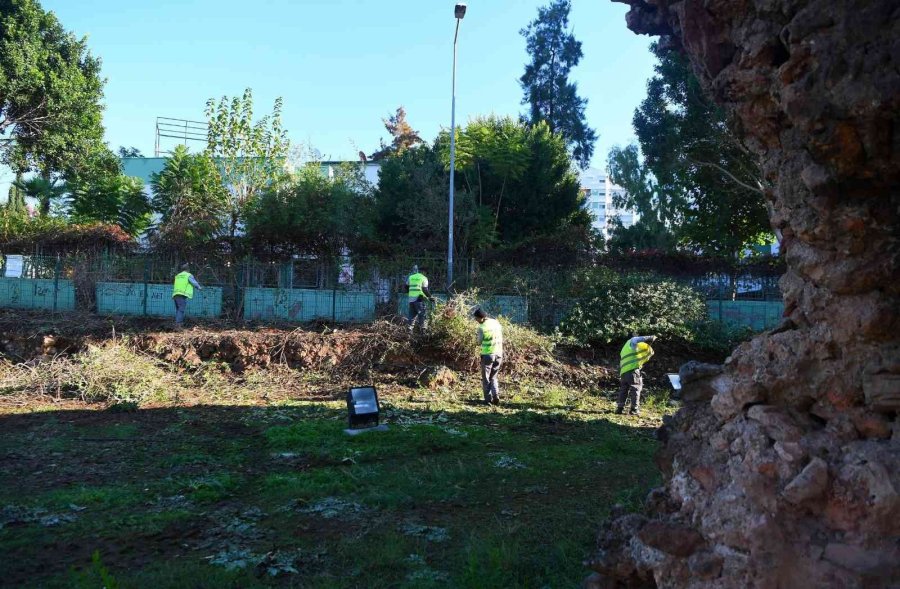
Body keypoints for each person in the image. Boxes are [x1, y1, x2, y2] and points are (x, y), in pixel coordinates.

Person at [617, 335, 657, 415]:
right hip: (632, 370)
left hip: (623, 371)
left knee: (623, 390)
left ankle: (619, 409)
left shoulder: (625, 347)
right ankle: (634, 409)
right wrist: (650, 337)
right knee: (636, 388)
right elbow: (637, 339)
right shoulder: (633, 341)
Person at [474, 307, 503, 405]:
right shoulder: (496, 322)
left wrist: (477, 337)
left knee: (486, 378)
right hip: (499, 354)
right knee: (494, 377)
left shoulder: (482, 328)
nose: (476, 320)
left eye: (476, 318)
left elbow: (479, 342)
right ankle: (496, 395)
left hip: (487, 355)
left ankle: (488, 399)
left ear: (481, 318)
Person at [172, 263, 203, 328]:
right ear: (188, 269)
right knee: (181, 309)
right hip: (181, 295)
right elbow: (193, 282)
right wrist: (199, 287)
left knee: (178, 309)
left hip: (175, 294)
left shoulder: (178, 275)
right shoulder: (188, 275)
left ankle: (177, 324)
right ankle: (178, 324)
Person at [405, 265, 431, 331]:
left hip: (411, 300)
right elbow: (424, 289)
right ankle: (423, 332)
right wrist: (430, 297)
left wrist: (410, 293)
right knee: (423, 315)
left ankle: (409, 332)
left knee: (411, 317)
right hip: (419, 300)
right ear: (424, 272)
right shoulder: (424, 278)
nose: (426, 274)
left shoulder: (411, 277)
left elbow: (406, 286)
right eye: (426, 272)